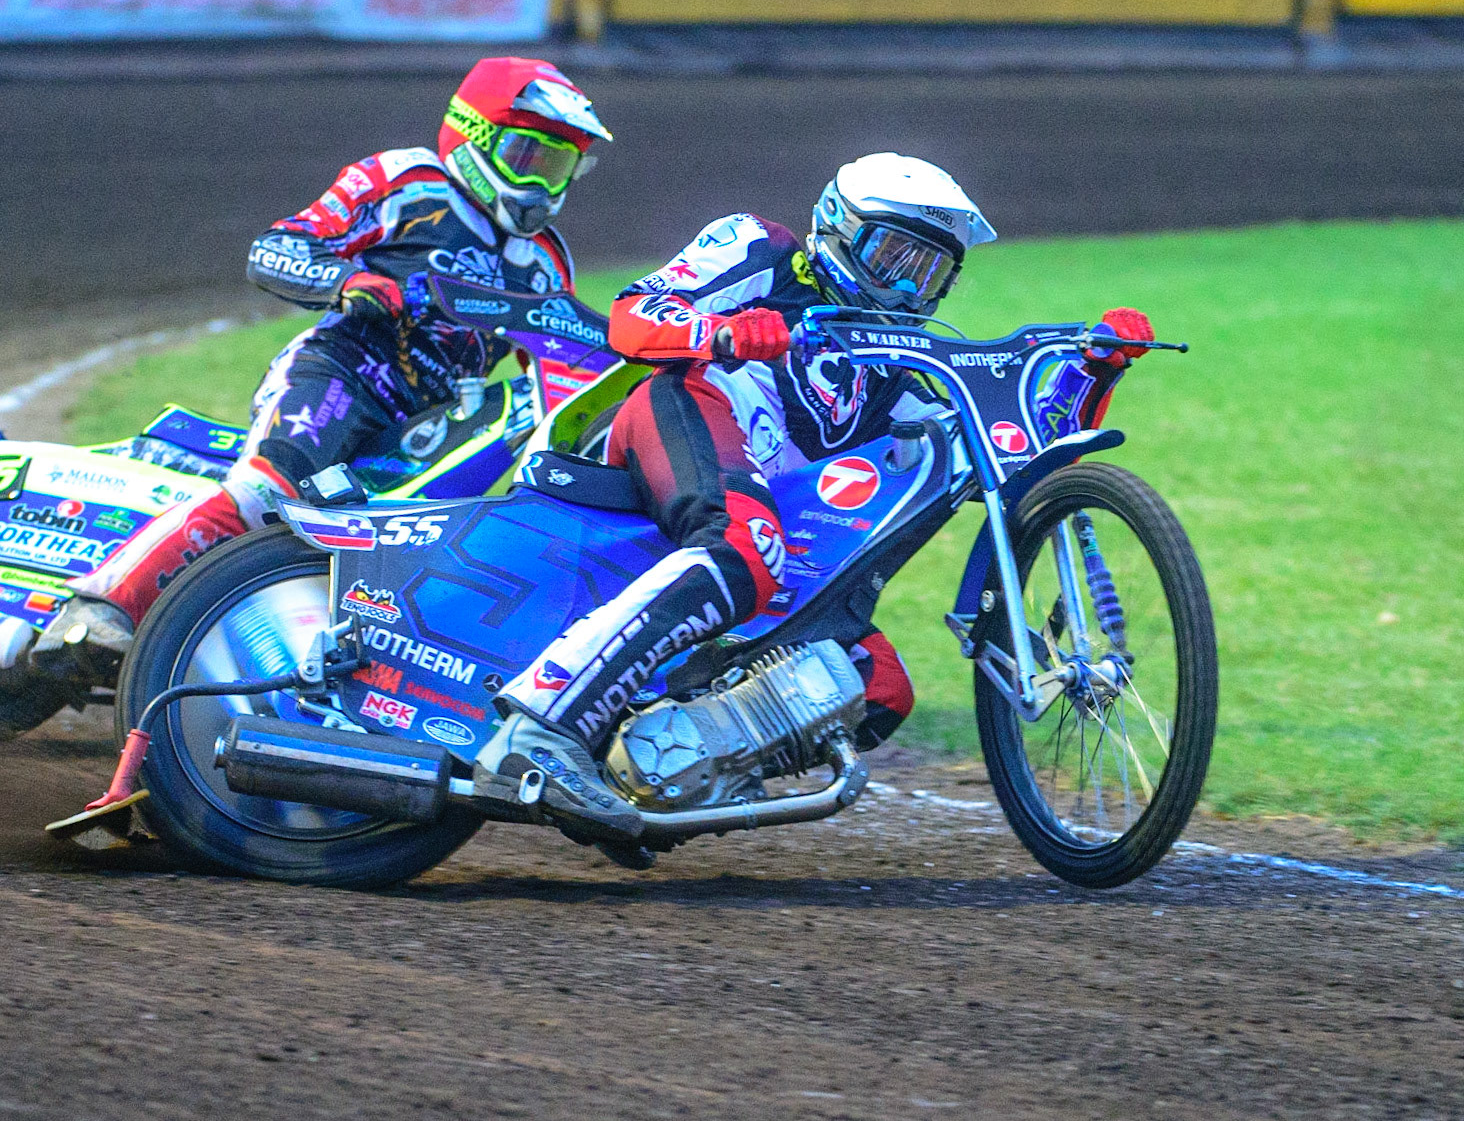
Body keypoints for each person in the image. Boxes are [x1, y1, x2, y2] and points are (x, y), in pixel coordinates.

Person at [473, 152, 1155, 843]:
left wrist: (1095, 373)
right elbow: (632, 313)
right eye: (892, 256)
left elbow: (1020, 452)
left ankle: (656, 779)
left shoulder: (901, 369)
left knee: (879, 684)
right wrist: (723, 332)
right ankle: (543, 727)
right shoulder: (759, 248)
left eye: (929, 272)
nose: (905, 287)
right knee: (745, 549)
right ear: (837, 226)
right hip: (684, 404)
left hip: (764, 504)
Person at [34, 57, 611, 679]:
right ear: (475, 134)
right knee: (271, 490)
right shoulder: (408, 184)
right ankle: (101, 608)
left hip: (431, 423)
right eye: (529, 158)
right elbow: (278, 248)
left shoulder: (547, 261)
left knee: (406, 546)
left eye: (559, 168)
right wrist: (348, 279)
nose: (542, 185)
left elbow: (563, 354)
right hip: (343, 372)